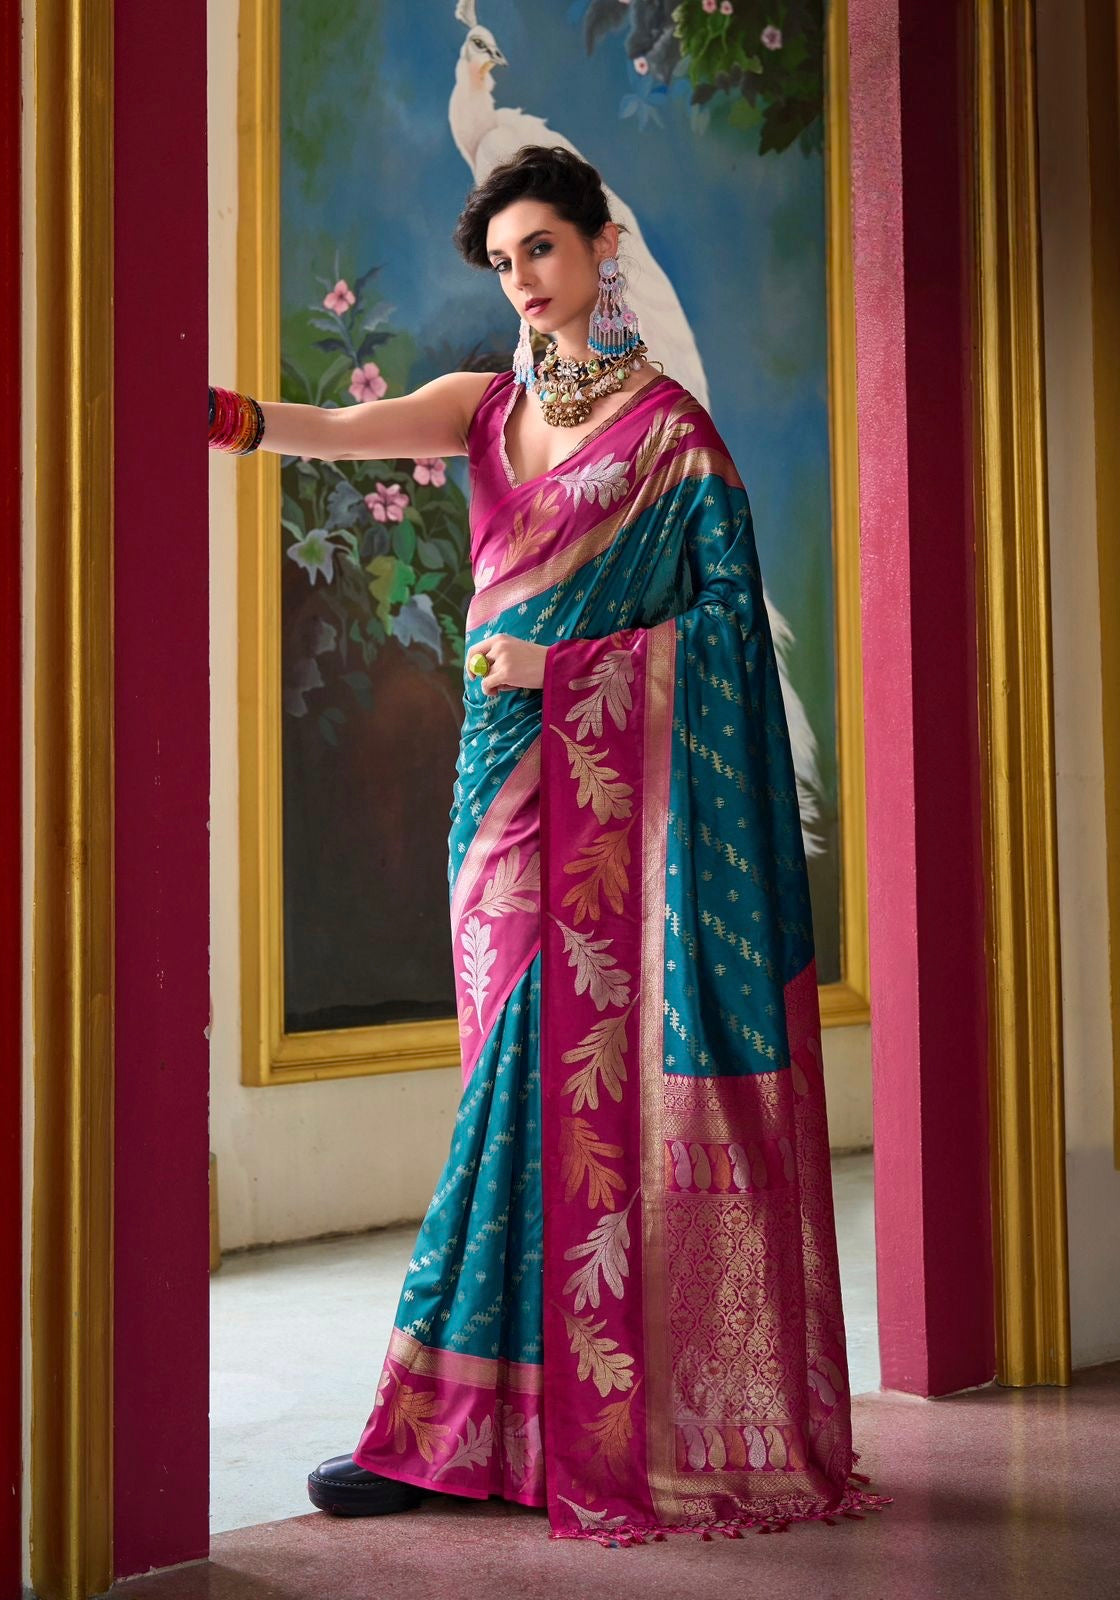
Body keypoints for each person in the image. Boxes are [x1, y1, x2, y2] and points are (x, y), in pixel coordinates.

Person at [209, 144, 891, 1545]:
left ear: (599, 248)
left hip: (605, 793)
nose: (522, 280)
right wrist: (214, 417)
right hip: (496, 799)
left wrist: (564, 669)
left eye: (541, 250)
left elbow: (724, 632)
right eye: (504, 260)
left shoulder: (670, 441)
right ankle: (518, 1425)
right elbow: (332, 429)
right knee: (509, 1087)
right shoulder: (484, 408)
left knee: (528, 1081)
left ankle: (431, 1432)